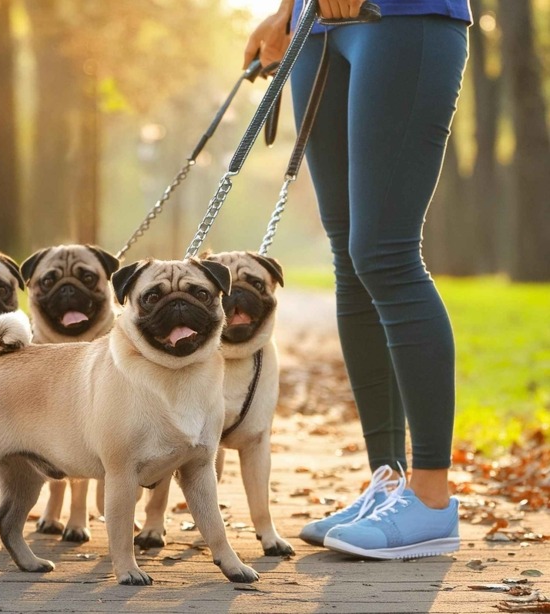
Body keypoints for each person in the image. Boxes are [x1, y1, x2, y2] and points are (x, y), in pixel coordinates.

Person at [244, 0, 471, 559]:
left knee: (384, 253)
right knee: (350, 259)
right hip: (316, 23)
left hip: (405, 16)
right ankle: (388, 484)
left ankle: (432, 498)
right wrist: (285, 11)